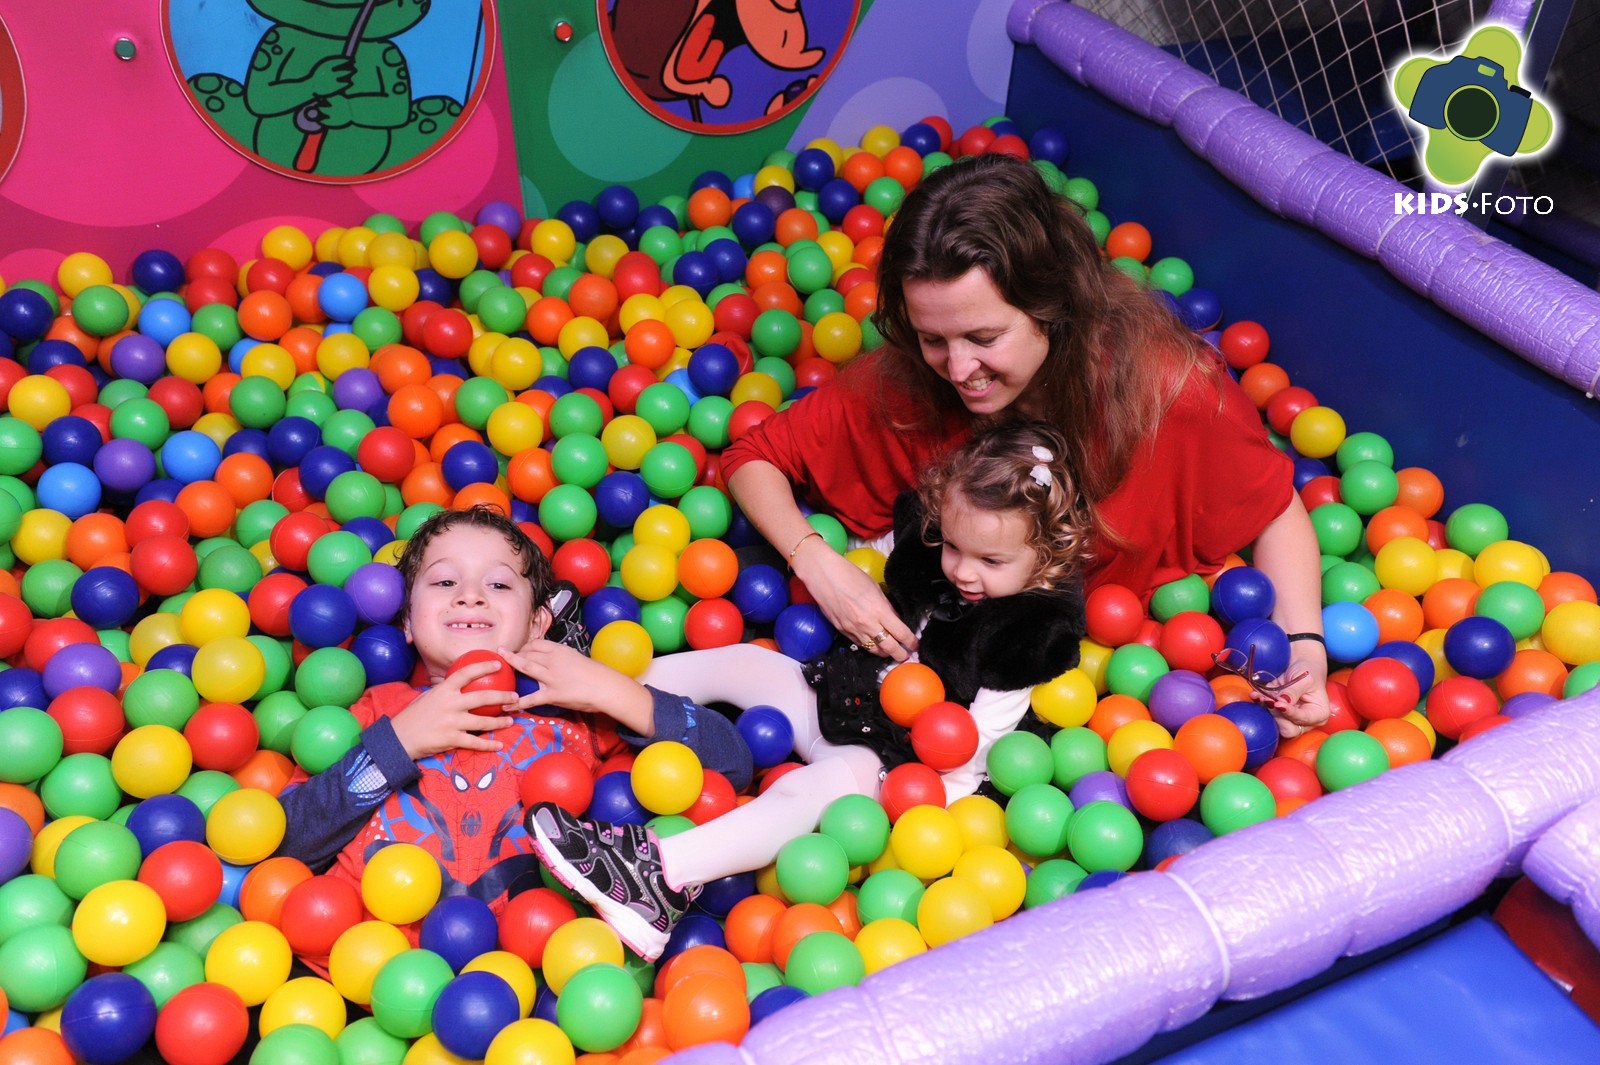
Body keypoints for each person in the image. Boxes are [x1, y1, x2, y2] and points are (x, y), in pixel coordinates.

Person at [720, 152, 1330, 736]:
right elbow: (753, 458)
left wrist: (1304, 648)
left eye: (984, 336)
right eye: (933, 338)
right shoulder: (910, 377)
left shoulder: (1166, 390)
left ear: (1052, 306)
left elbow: (1272, 507)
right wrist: (818, 563)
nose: (958, 368)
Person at [527, 423, 1089, 960]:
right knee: (750, 662)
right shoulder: (934, 545)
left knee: (806, 792)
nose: (964, 572)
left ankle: (659, 877)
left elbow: (973, 752)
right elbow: (881, 555)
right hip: (844, 696)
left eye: (991, 562)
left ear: (1045, 562)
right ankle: (595, 678)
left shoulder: (1024, 635)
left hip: (894, 765)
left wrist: (910, 808)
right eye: (955, 547)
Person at [274, 506, 753, 942]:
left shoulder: (576, 714)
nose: (470, 596)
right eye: (443, 583)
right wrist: (396, 744)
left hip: (551, 975)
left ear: (538, 624)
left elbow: (731, 767)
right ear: (407, 620)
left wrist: (617, 692)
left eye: (499, 585)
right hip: (366, 973)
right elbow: (288, 844)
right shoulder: (375, 711)